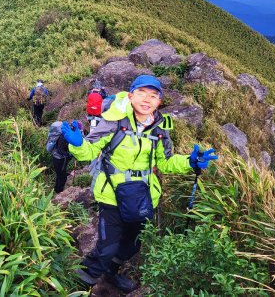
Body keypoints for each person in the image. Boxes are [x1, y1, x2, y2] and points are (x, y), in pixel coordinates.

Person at [61, 74, 218, 291]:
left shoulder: (160, 129)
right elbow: (90, 151)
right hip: (112, 195)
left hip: (144, 196)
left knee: (132, 244)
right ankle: (80, 282)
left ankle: (111, 273)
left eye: (153, 95)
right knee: (107, 247)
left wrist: (190, 162)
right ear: (131, 95)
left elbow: (165, 163)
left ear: (159, 101)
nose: (147, 99)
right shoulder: (114, 121)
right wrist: (78, 145)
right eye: (142, 93)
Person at [46, 120, 84, 193]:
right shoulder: (64, 136)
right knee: (61, 176)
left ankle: (58, 187)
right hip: (60, 159)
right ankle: (58, 191)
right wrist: (71, 154)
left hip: (57, 157)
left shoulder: (66, 133)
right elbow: (61, 150)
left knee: (60, 173)